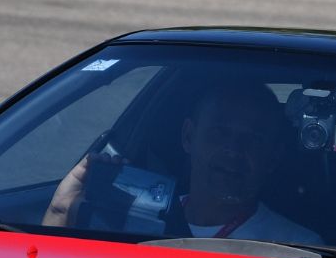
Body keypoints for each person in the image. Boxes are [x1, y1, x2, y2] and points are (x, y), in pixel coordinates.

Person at [42, 80, 321, 245]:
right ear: (188, 137)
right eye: (219, 133)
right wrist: (60, 208)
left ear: (272, 157)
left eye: (253, 140)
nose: (233, 150)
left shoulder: (295, 246)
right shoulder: (127, 220)